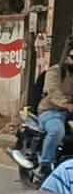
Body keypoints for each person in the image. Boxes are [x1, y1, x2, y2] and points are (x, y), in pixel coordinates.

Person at [37, 40, 73, 179]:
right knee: (57, 130)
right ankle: (45, 166)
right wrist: (67, 105)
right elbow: (52, 92)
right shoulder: (55, 71)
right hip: (51, 111)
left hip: (70, 114)